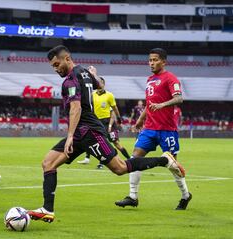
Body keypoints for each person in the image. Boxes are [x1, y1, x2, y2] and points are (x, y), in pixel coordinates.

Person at [27, 45, 186, 223]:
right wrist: (94, 75)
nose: (56, 69)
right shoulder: (84, 72)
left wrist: (70, 136)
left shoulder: (70, 81)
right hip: (81, 132)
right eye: (53, 67)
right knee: (48, 163)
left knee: (120, 168)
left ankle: (164, 160)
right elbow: (100, 85)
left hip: (89, 132)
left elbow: (76, 107)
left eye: (57, 64)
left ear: (67, 58)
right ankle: (47, 210)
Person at [115, 48, 192, 210]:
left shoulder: (170, 78)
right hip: (149, 128)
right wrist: (140, 121)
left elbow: (179, 98)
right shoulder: (150, 79)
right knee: (135, 158)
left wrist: (162, 104)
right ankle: (132, 196)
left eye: (155, 60)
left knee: (173, 164)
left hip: (167, 129)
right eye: (150, 60)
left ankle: (185, 195)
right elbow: (149, 105)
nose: (151, 63)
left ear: (163, 61)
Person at [77, 77, 130, 169]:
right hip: (96, 121)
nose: (99, 84)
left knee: (116, 143)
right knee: (97, 141)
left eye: (101, 82)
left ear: (104, 84)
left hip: (107, 121)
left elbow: (114, 109)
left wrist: (118, 119)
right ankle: (99, 162)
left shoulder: (109, 95)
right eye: (97, 82)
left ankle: (130, 159)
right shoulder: (92, 95)